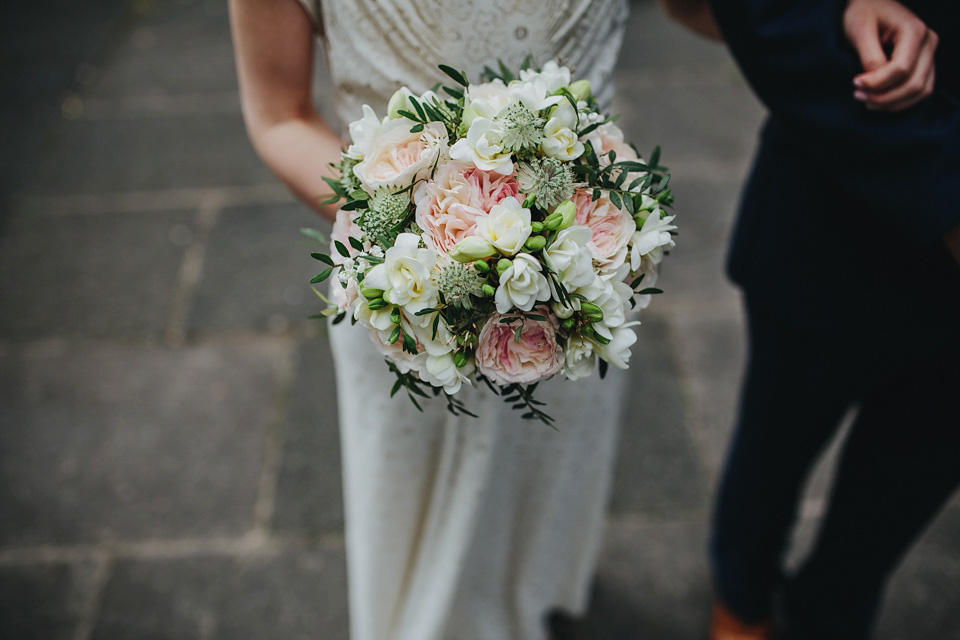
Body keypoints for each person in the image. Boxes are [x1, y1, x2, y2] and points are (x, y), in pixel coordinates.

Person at [229, 2, 631, 639]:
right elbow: (279, 115)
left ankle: (537, 598)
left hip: (582, 271)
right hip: (407, 294)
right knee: (419, 506)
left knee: (545, 478)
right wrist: (405, 237)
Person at [666, 0, 960, 638]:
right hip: (832, 223)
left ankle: (832, 609)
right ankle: (741, 601)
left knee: (909, 482)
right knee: (772, 449)